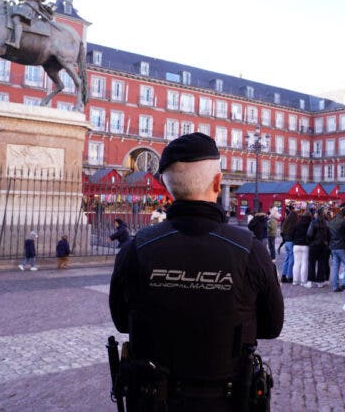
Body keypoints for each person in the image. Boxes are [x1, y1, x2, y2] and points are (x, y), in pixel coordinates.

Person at [109, 132, 283, 411]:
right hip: (226, 399)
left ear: (168, 189)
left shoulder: (136, 249)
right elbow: (272, 326)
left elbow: (121, 321)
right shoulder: (250, 250)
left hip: (153, 399)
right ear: (217, 182)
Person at [328, 205, 345, 292]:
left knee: (335, 266)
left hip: (333, 246)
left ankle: (335, 286)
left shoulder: (332, 221)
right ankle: (344, 283)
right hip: (342, 246)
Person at [307, 207, 330, 288]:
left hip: (314, 245)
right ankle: (320, 281)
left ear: (317, 214)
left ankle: (310, 281)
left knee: (311, 264)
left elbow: (309, 234)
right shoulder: (327, 223)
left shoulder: (313, 223)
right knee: (321, 264)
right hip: (324, 246)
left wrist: (310, 241)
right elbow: (329, 235)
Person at [292, 210, 313, 287]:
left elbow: (292, 233)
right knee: (304, 263)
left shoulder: (297, 224)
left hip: (296, 245)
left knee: (296, 263)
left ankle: (295, 280)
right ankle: (303, 281)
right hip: (305, 245)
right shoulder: (310, 224)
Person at [280, 207, 298, 283]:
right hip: (291, 242)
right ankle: (290, 276)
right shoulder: (294, 224)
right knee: (291, 259)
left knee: (286, 259)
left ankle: (283, 275)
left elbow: (282, 232)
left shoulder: (285, 223)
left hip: (286, 242)